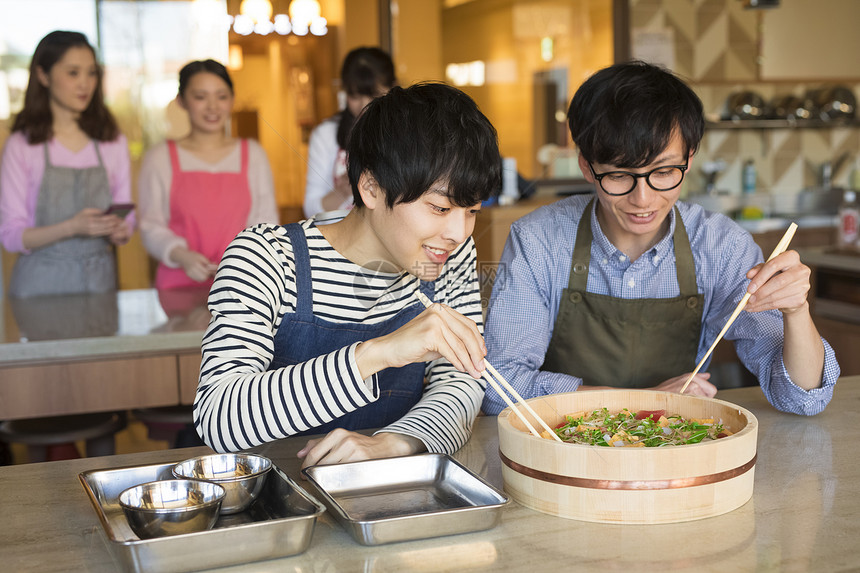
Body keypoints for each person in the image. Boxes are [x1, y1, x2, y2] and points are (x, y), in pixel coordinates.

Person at [483, 61, 839, 416]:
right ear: (586, 166)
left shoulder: (721, 247)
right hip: (561, 449)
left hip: (678, 448)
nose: (643, 199)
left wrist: (796, 311)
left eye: (665, 172)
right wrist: (639, 401)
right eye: (620, 175)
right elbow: (499, 387)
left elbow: (804, 399)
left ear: (689, 158)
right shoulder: (538, 241)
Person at [195, 82, 501, 468]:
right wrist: (380, 352)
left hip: (390, 488)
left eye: (471, 211)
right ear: (371, 188)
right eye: (440, 208)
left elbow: (461, 381)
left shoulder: (444, 256)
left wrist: (395, 443)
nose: (459, 233)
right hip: (281, 494)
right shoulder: (268, 258)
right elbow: (220, 418)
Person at [0, 31, 133, 297]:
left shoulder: (112, 140)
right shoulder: (22, 145)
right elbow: (11, 236)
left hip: (101, 284)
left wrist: (121, 229)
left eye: (91, 73)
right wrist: (71, 227)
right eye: (73, 73)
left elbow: (126, 213)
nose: (85, 84)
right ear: (43, 75)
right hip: (38, 289)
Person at [138, 59, 278, 290]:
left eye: (221, 96)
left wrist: (241, 262)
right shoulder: (159, 158)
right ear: (181, 101)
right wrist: (181, 255)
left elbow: (266, 223)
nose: (213, 106)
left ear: (232, 100)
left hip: (243, 284)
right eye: (200, 97)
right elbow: (151, 226)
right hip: (178, 285)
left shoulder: (253, 154)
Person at [303, 46, 396, 219]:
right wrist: (343, 189)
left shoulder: (406, 132)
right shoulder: (326, 135)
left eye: (374, 95)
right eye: (355, 96)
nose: (364, 105)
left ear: (393, 87)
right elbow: (311, 209)